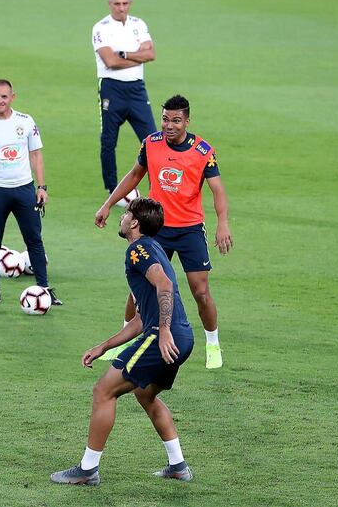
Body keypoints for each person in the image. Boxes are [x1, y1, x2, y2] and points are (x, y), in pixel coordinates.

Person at [51, 197, 194, 486]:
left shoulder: (138, 249)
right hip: (182, 335)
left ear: (135, 223)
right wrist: (104, 346)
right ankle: (178, 465)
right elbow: (140, 319)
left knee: (103, 390)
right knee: (145, 394)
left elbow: (164, 286)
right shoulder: (153, 249)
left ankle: (88, 469)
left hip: (163, 336)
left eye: (126, 212)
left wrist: (163, 330)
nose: (122, 217)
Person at [95, 94, 233, 369]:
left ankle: (213, 343)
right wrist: (108, 204)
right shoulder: (151, 144)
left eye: (176, 121)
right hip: (155, 228)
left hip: (190, 229)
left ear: (187, 121)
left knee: (200, 291)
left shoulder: (203, 151)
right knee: (138, 289)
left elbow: (217, 189)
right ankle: (123, 341)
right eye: (166, 120)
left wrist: (223, 223)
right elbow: (134, 175)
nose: (169, 126)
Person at [0, 79, 62, 306]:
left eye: (4, 96)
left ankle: (45, 288)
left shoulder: (26, 121)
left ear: (12, 97)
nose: (0, 101)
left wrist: (41, 187)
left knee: (34, 240)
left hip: (24, 189)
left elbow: (36, 155)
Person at [92, 0, 156, 193]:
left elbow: (150, 54)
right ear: (110, 4)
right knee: (109, 142)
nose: (121, 8)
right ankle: (113, 189)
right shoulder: (101, 27)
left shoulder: (139, 24)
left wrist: (125, 55)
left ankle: (159, 185)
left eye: (125, 3)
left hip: (137, 89)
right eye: (117, 4)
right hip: (112, 89)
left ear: (130, 3)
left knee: (153, 140)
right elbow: (110, 61)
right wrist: (138, 57)